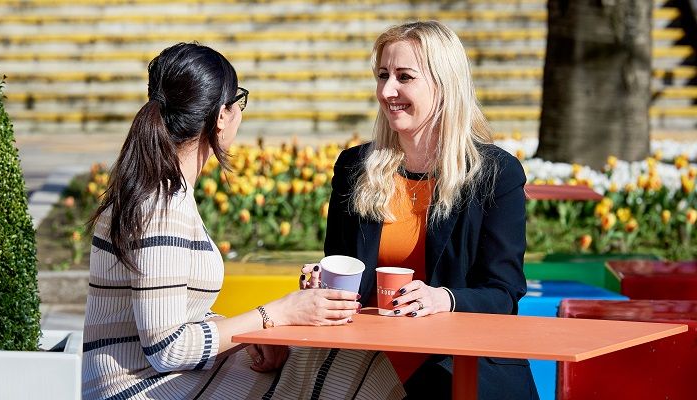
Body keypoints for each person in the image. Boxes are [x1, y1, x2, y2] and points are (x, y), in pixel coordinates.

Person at [81, 42, 405, 400]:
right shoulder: (161, 206)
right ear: (221, 116)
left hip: (157, 378)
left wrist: (245, 336)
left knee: (348, 363)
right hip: (138, 388)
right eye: (238, 101)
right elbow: (167, 348)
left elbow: (174, 315)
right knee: (348, 370)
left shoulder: (160, 191)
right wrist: (274, 315)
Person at [307, 22, 540, 399]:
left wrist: (443, 298)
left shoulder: (496, 173)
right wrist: (322, 280)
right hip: (367, 363)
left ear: (444, 84)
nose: (387, 91)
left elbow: (503, 292)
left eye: (404, 77)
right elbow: (343, 266)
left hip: (460, 363)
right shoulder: (354, 167)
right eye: (382, 75)